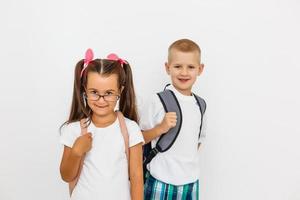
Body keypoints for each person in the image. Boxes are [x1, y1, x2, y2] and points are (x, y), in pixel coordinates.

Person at [59, 49, 144, 200]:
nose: (101, 100)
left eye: (109, 93)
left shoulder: (130, 129)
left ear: (120, 90)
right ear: (84, 89)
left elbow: (137, 178)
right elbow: (66, 176)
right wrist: (76, 152)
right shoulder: (73, 130)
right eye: (94, 92)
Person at [140, 39, 207, 199]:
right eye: (177, 66)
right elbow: (138, 139)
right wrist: (160, 129)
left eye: (190, 67)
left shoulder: (201, 104)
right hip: (161, 180)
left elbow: (197, 141)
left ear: (200, 69)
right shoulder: (157, 100)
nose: (184, 72)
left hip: (190, 182)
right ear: (167, 67)